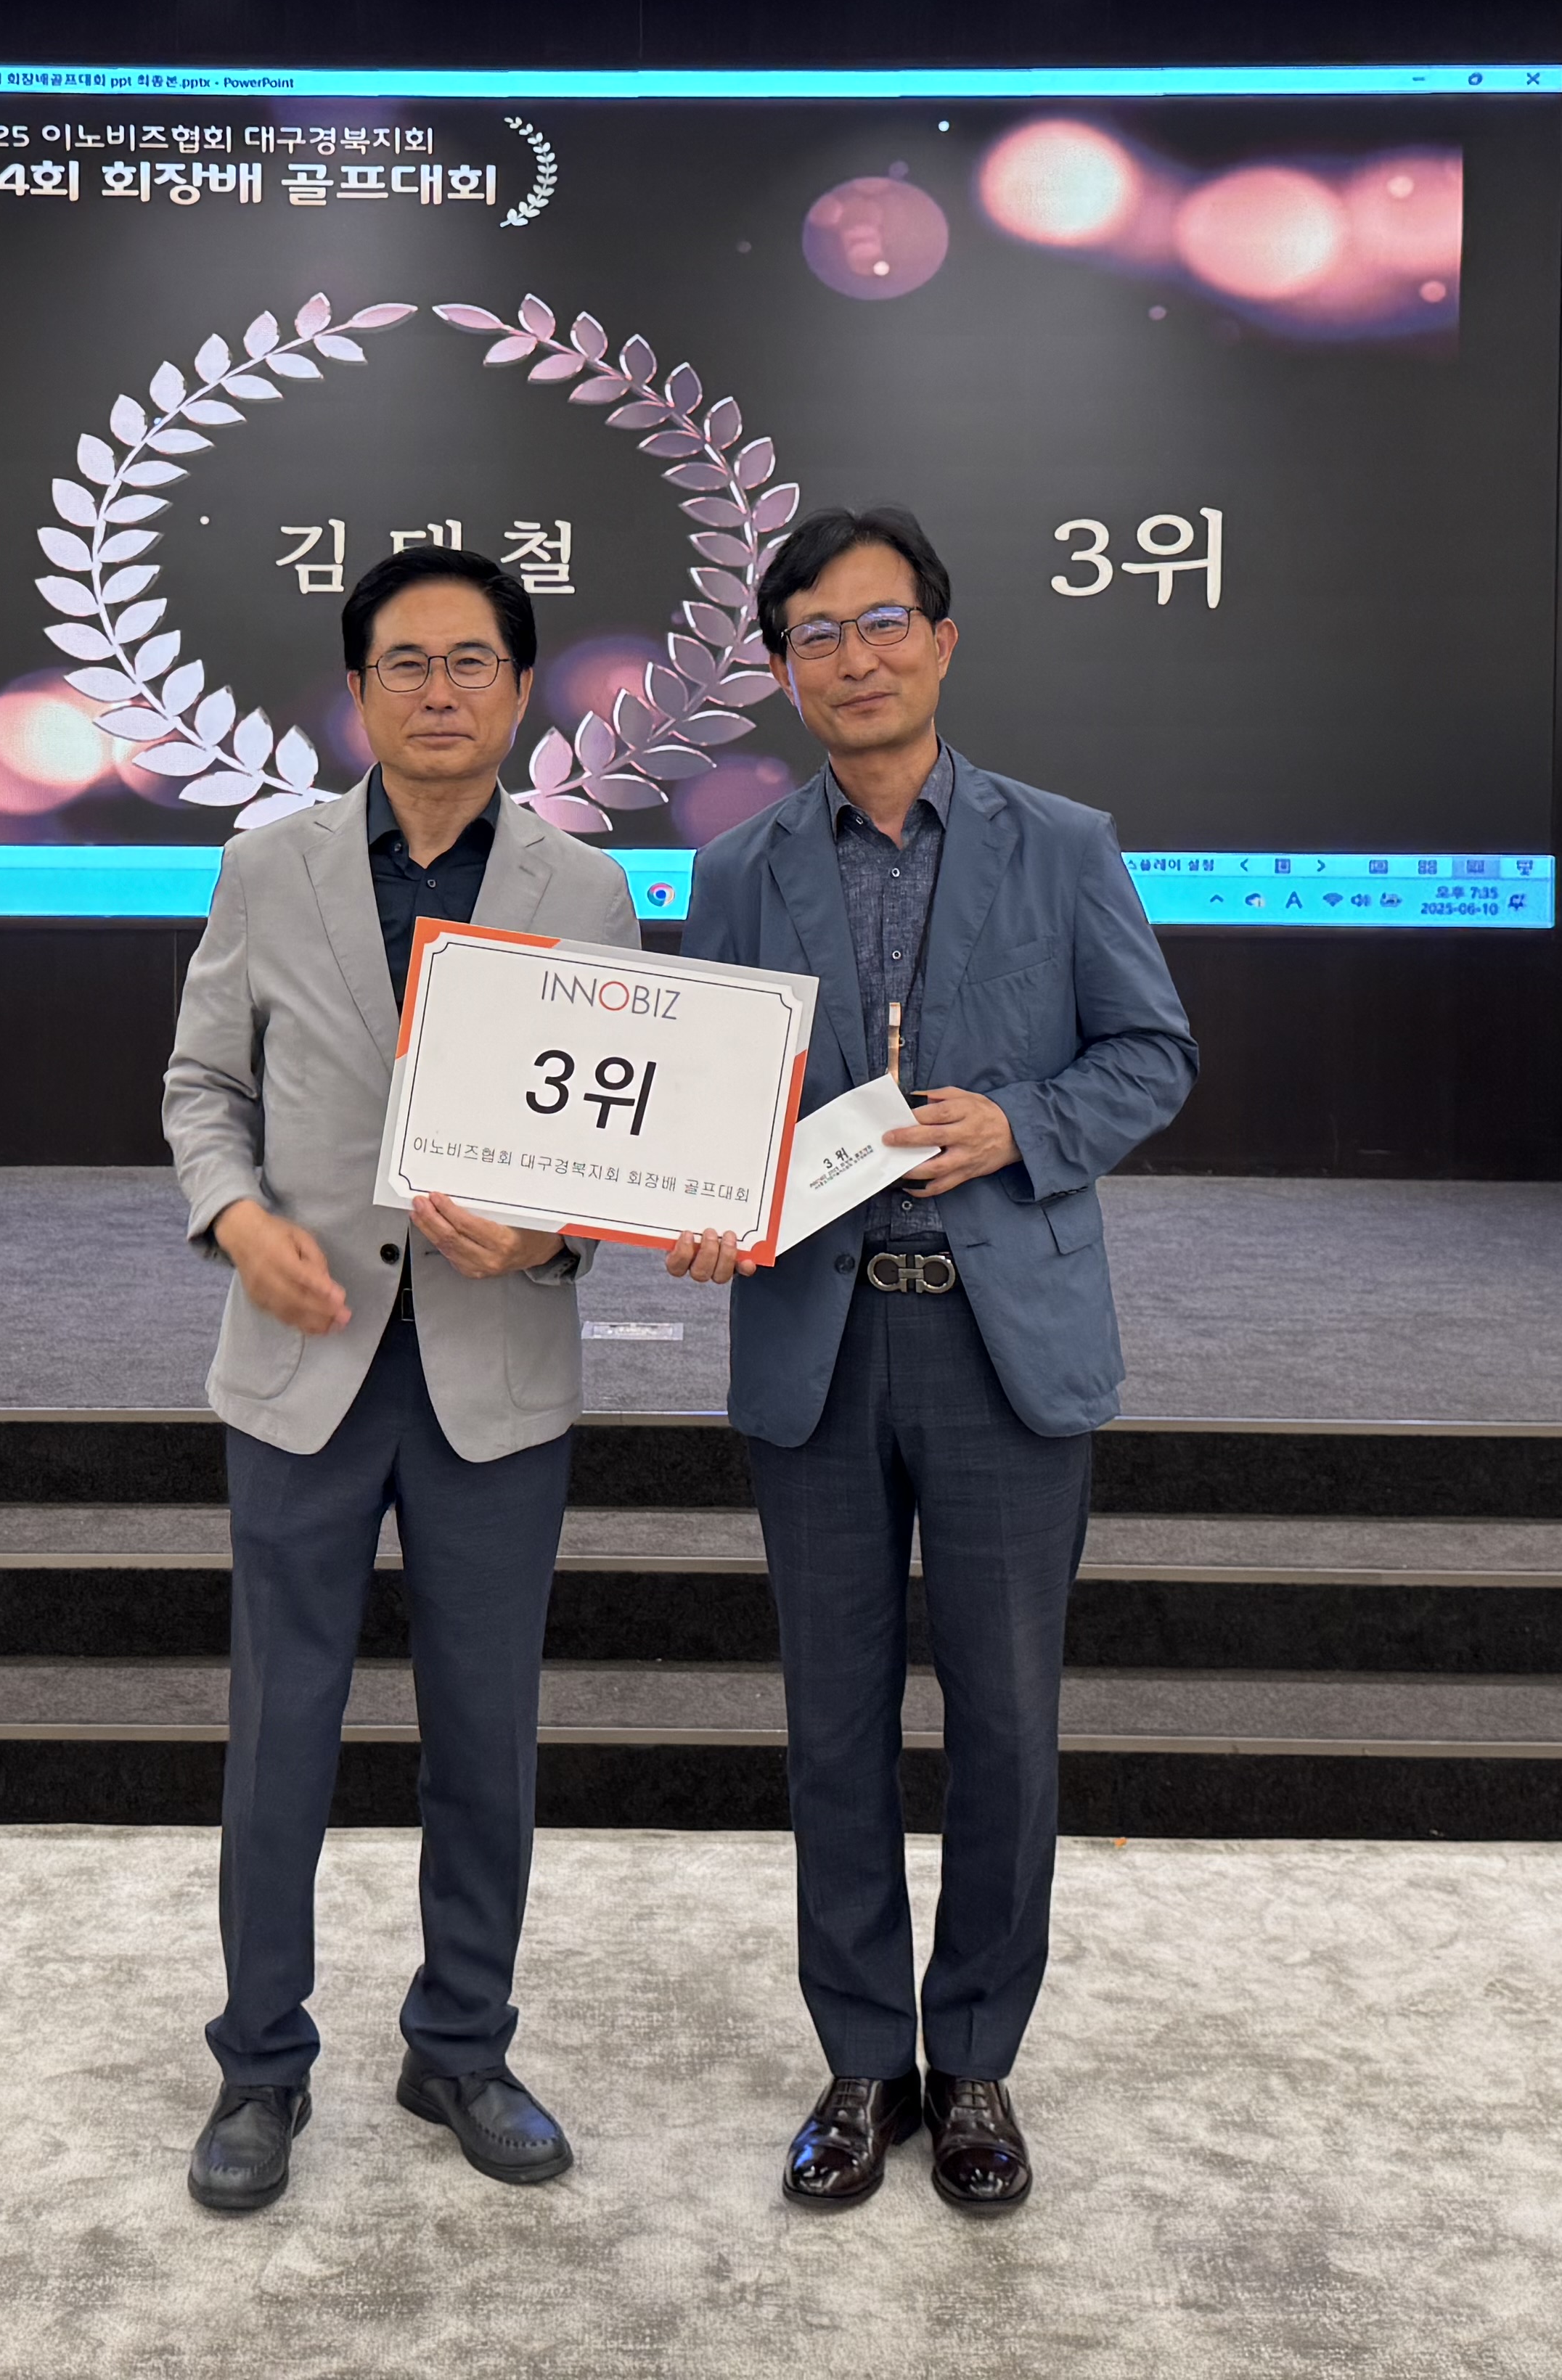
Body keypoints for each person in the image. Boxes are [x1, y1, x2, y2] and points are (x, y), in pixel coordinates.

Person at [663, 506, 1197, 2216]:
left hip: (1000, 1338)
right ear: (780, 671)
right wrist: (695, 1198)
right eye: (816, 634)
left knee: (1007, 1724)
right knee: (832, 1724)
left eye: (883, 622)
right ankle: (859, 2065)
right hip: (815, 1342)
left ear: (944, 642)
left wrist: (1022, 1123)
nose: (855, 657)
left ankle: (973, 2065)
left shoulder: (1064, 844)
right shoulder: (740, 870)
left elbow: (1152, 1054)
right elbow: (704, 1103)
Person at [160, 543, 643, 2215]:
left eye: (472, 662)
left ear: (522, 688)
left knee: (485, 1735)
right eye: (406, 664)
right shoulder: (266, 867)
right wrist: (236, 1220)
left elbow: (613, 1142)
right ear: (358, 688)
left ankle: (462, 2046)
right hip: (304, 1361)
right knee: (281, 1728)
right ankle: (259, 2065)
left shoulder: (587, 891)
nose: (441, 692)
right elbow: (204, 1086)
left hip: (494, 1372)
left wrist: (553, 1234)